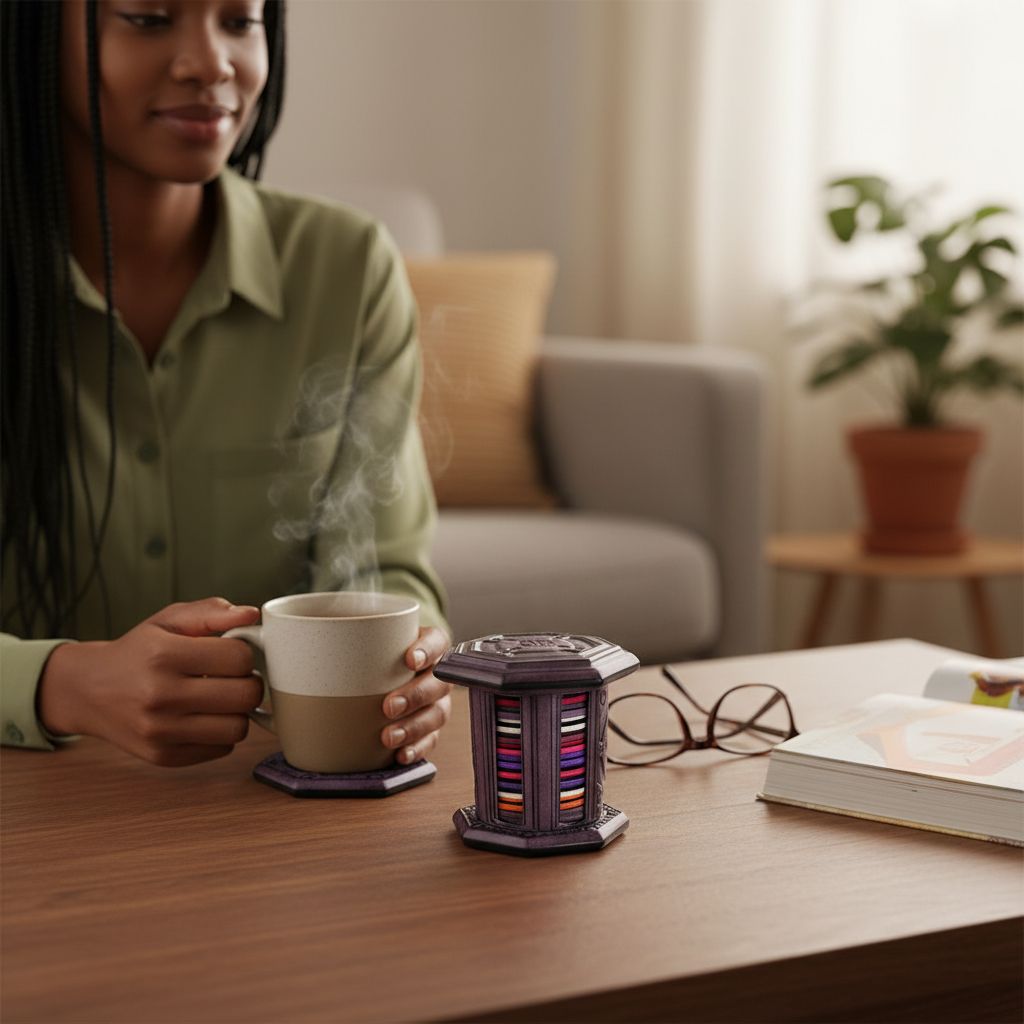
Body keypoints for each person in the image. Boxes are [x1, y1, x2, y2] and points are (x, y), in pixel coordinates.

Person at [0, 0, 453, 767]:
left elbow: (389, 565)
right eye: (149, 17)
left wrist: (411, 657)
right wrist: (61, 684)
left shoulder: (345, 268)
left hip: (267, 807)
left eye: (240, 21)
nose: (212, 62)